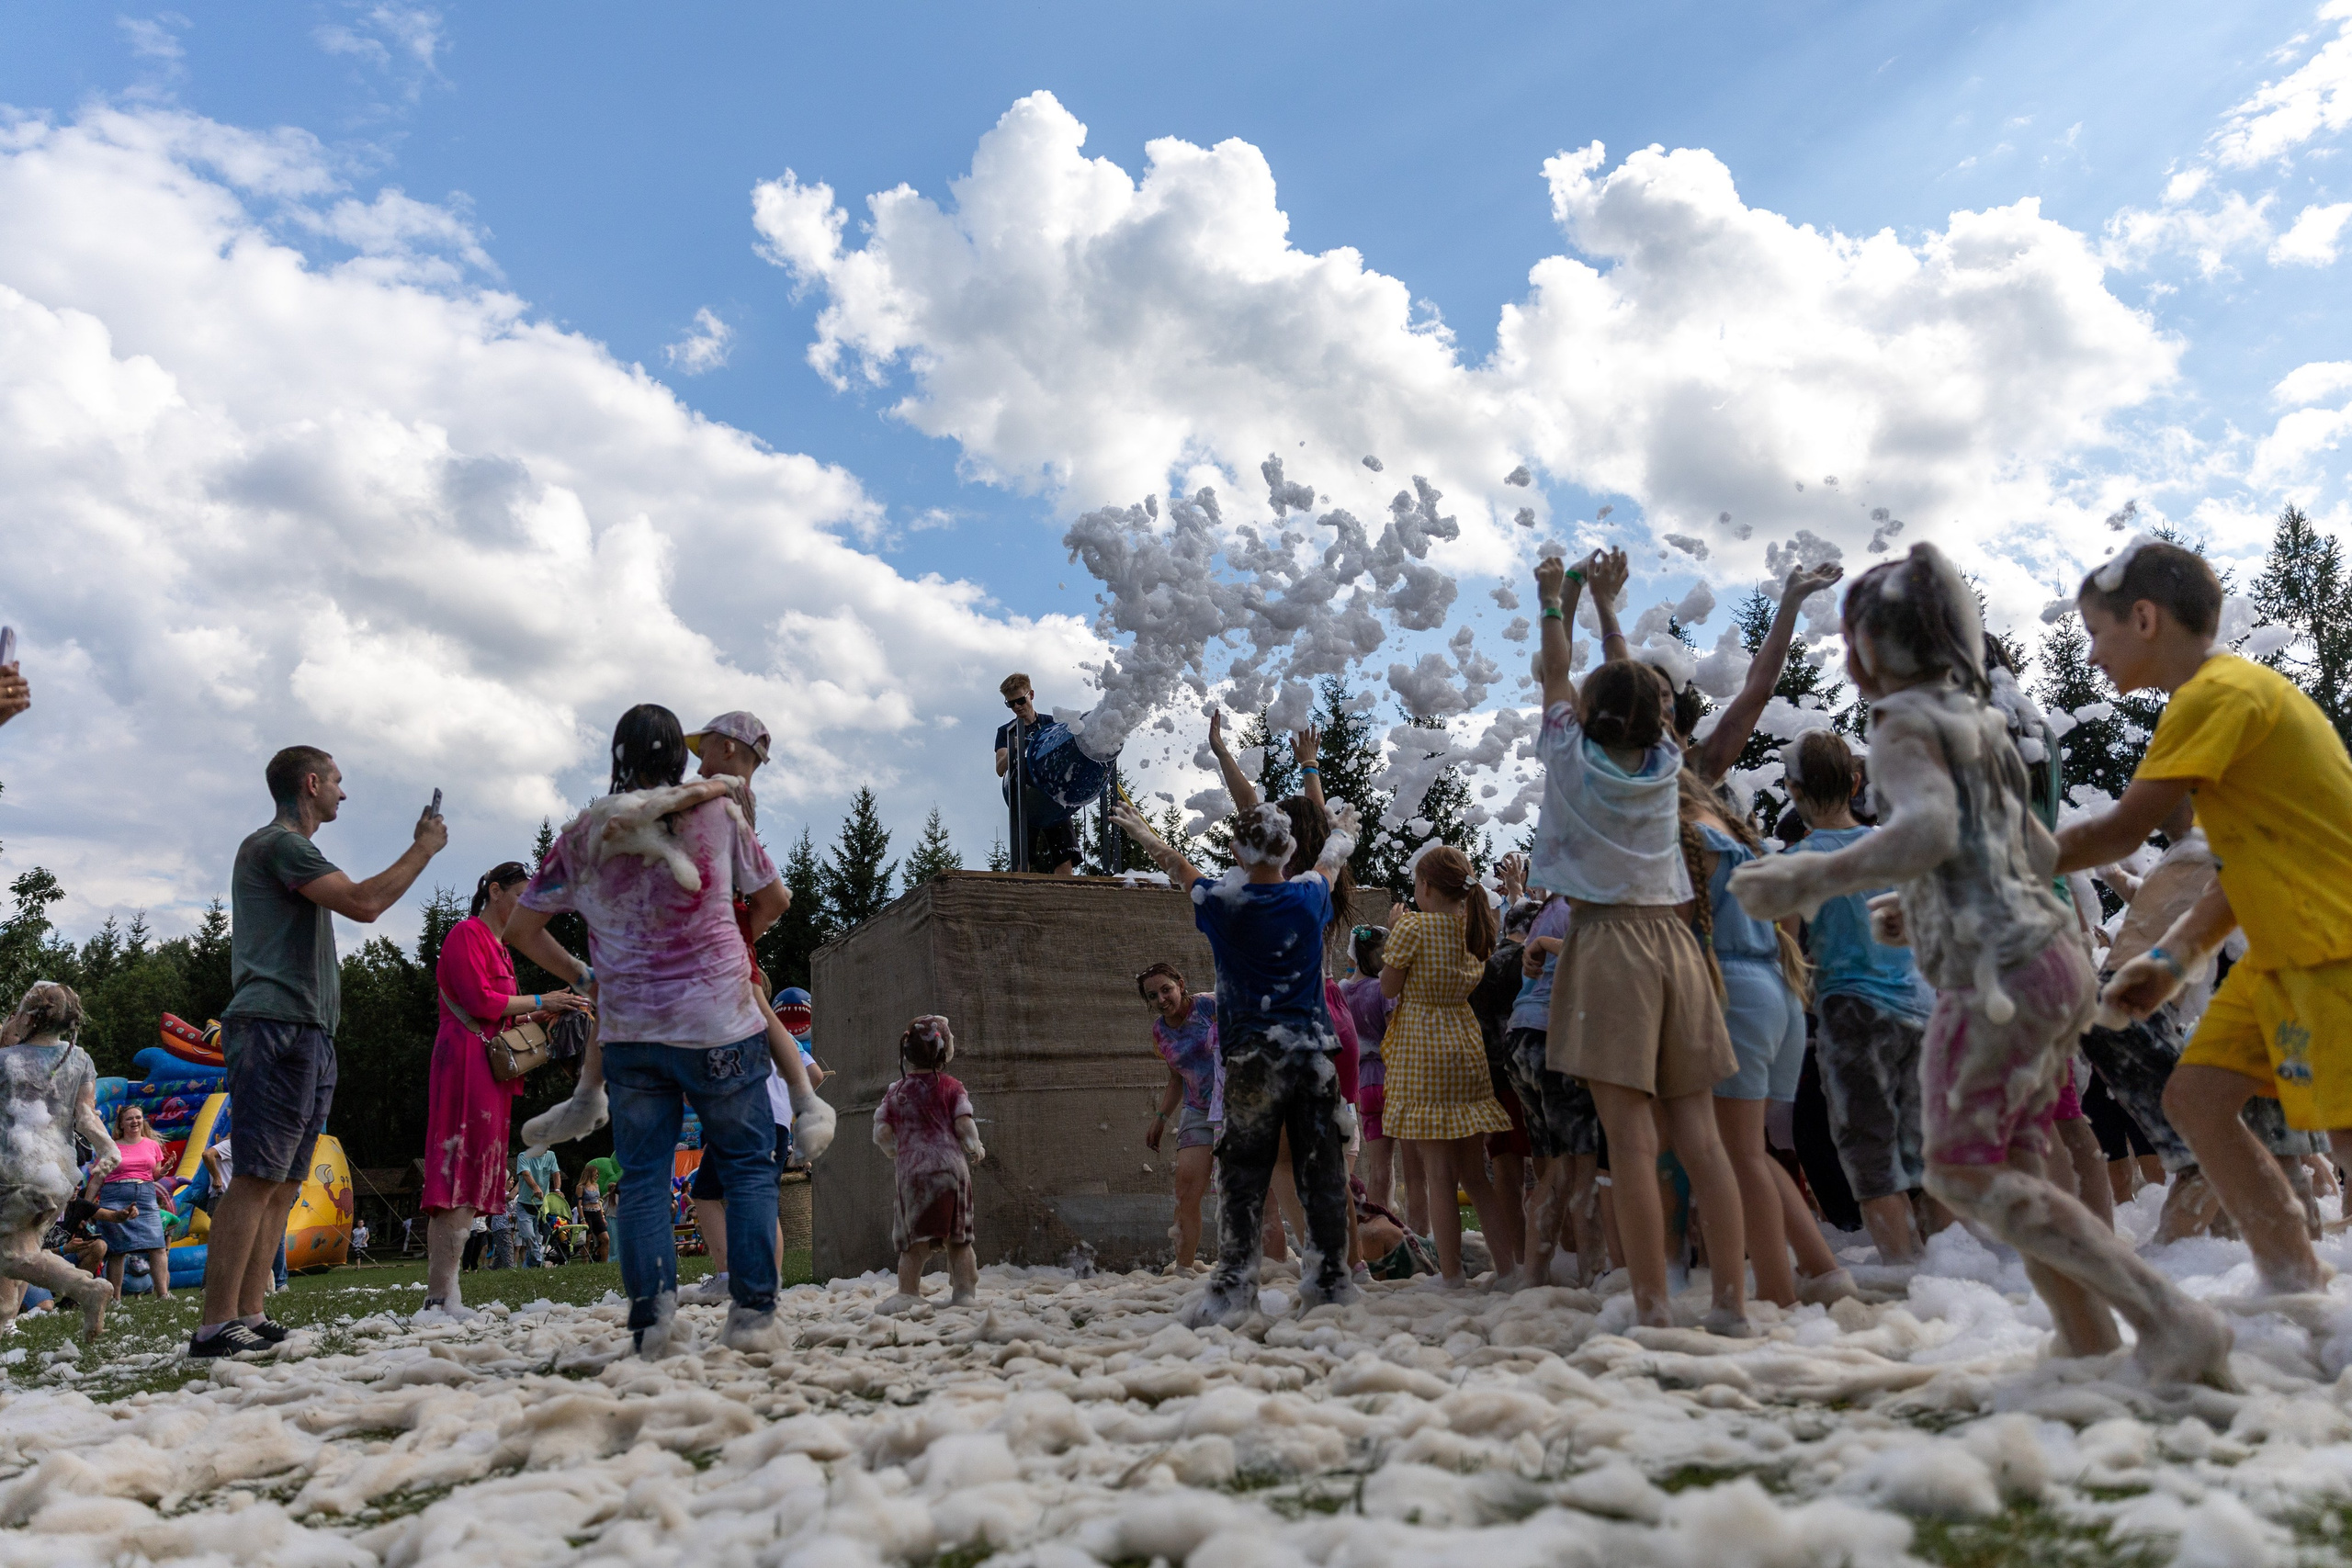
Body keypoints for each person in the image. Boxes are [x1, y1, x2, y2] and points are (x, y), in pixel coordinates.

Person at [1734, 541, 2233, 1385]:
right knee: (2024, 1163)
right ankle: (2085, 1339)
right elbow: (2028, 847)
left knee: (1962, 1169)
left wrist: (1809, 875)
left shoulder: (1901, 726)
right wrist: (1930, 905)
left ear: (1873, 649)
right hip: (2052, 960)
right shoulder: (1989, 725)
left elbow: (1926, 831)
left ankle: (2167, 1314)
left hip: (1999, 977)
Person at [2055, 539, 2352, 1297]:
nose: (2091, 655)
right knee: (2195, 1099)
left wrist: (1967, 865)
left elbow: (2118, 833)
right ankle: (2296, 1286)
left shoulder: (2213, 695)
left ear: (2145, 617)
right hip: (2284, 949)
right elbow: (2235, 876)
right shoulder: (2230, 694)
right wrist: (2169, 960)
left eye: (2097, 631)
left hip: (2331, 942)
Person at [505, 704, 790, 1355]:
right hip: (721, 1020)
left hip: (630, 1031)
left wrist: (584, 972)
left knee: (640, 1178)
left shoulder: (584, 834)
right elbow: (774, 899)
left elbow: (522, 929)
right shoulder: (720, 813)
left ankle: (652, 1322)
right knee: (748, 1169)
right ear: (679, 759)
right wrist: (723, 943)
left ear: (616, 756)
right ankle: (752, 1316)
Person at [1532, 547, 1750, 1336]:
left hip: (1606, 940)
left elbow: (1558, 676)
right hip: (1677, 942)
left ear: (1587, 717)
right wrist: (1608, 610)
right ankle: (1730, 1304)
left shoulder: (1569, 754)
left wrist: (1553, 599)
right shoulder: (1668, 762)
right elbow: (1626, 682)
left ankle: (1654, 1305)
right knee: (1700, 1134)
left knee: (1629, 1138)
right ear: (1660, 719)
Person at [194, 745, 448, 1359]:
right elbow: (364, 902)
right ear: (311, 783)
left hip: (306, 1032)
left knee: (283, 1181)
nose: (343, 792)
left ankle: (249, 1314)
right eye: (337, 780)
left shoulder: (288, 849)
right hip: (276, 1028)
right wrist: (424, 847)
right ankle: (213, 1325)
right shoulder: (280, 845)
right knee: (256, 1175)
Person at [1110, 796, 1362, 1326]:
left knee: (1243, 1179)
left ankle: (1232, 1291)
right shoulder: (1309, 896)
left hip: (1251, 1061)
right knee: (1322, 1175)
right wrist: (1339, 832)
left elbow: (1179, 869)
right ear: (1289, 849)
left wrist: (1147, 836)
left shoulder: (1223, 904)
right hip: (1313, 1057)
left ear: (1234, 853)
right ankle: (1331, 1287)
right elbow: (1331, 862)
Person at [1677, 769, 1857, 1307]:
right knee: (1751, 1153)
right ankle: (1823, 1271)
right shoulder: (1742, 840)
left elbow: (1675, 929)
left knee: (1735, 1158)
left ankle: (1779, 1294)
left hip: (1731, 991)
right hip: (1776, 990)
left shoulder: (1687, 837)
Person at [1779, 729, 1940, 1265]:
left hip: (1851, 1013)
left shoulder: (1800, 863)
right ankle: (1953, 1273)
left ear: (1792, 790)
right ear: (1856, 783)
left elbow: (1787, 955)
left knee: (1871, 1157)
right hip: (1920, 1010)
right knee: (1924, 1156)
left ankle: (1903, 1279)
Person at [418, 861, 593, 1320]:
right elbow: (479, 1003)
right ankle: (439, 1296)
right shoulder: (466, 936)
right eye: (522, 896)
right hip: (465, 1066)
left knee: (473, 1177)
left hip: (490, 1070)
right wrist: (542, 1000)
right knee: (458, 1173)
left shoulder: (500, 948)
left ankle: (447, 1296)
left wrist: (550, 1011)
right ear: (495, 891)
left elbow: (504, 1015)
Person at [1379, 847, 1519, 1287]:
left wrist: (1395, 930)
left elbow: (1387, 988)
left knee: (1438, 1176)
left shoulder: (1413, 927)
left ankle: (1453, 1275)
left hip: (1423, 1047)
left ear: (1424, 886)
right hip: (1464, 1041)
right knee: (1476, 1177)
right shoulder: (1474, 927)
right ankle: (1510, 1269)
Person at [0, 982, 119, 1338]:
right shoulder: (79, 1058)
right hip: (58, 1173)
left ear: (30, 1016)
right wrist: (109, 1148)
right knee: (22, 1249)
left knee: (12, 1257)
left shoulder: (5, 1060)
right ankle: (5, 1321)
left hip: (13, 1170)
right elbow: (86, 1115)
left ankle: (87, 1288)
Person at [874, 1016, 987, 1311]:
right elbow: (964, 1123)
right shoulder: (952, 1087)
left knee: (913, 1244)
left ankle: (907, 1293)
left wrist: (893, 1149)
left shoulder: (896, 1091)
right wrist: (974, 1145)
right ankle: (963, 1295)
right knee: (959, 1240)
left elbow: (882, 1131)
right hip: (950, 1170)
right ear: (944, 1052)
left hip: (913, 1174)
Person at [1138, 962, 1220, 1272]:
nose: (1161, 999)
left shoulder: (1210, 1006)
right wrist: (1160, 1117)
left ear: (1181, 984)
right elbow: (1177, 1077)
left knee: (1242, 1188)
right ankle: (1183, 1271)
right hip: (1198, 1110)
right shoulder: (1160, 1032)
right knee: (1185, 1189)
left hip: (1237, 1107)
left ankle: (1261, 1269)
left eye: (1166, 989)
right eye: (1152, 995)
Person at [1338, 927, 1399, 1211]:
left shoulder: (1343, 991)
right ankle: (1394, 1227)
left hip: (1364, 1086)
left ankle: (1378, 1224)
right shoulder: (1382, 989)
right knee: (1402, 1165)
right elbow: (1394, 1034)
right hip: (1392, 1081)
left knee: (1378, 1166)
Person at [995, 674, 1080, 874]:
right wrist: (1014, 750)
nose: (1017, 707)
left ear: (1031, 695)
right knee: (1022, 857)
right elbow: (1000, 769)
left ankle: (1066, 898)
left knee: (1065, 854)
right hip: (1025, 798)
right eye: (1010, 704)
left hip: (1054, 796)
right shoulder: (1007, 732)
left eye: (1020, 700)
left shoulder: (1052, 724)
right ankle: (1020, 897)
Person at [87, 1104, 173, 1302]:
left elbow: (153, 1175)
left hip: (145, 1195)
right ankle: (116, 1299)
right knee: (118, 1250)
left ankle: (163, 1295)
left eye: (138, 1117)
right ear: (121, 1124)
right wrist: (86, 1207)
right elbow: (97, 1180)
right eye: (129, 1118)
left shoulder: (152, 1145)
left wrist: (165, 1170)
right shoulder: (110, 1147)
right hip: (115, 1195)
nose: (135, 1121)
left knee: (158, 1245)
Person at [515, 1146, 560, 1268]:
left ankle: (529, 1267)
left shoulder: (550, 1155)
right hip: (525, 1204)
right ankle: (539, 1259)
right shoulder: (523, 1156)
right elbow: (525, 1174)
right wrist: (535, 1187)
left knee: (538, 1239)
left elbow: (556, 1173)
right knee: (528, 1235)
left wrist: (557, 1190)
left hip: (542, 1206)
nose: (549, 1146)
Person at [581, 1154, 620, 1262]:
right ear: (589, 1174)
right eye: (595, 1174)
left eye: (598, 1174)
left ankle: (605, 1262)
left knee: (606, 1239)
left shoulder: (597, 1186)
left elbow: (598, 1200)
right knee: (587, 1240)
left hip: (597, 1213)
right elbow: (579, 1204)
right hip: (587, 1213)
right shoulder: (581, 1187)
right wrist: (582, 1219)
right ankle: (585, 1264)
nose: (597, 1176)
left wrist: (602, 1216)